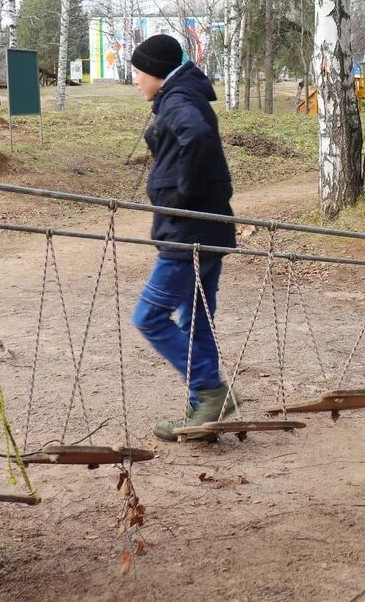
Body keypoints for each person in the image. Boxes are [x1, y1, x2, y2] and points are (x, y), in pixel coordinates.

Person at [127, 34, 239, 442]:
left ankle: (210, 391)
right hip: (208, 229)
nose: (135, 79)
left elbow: (196, 138)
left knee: (150, 318)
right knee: (196, 319)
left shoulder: (177, 102)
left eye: (137, 71)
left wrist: (183, 195)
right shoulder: (186, 94)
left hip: (188, 232)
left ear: (156, 72)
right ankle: (203, 410)